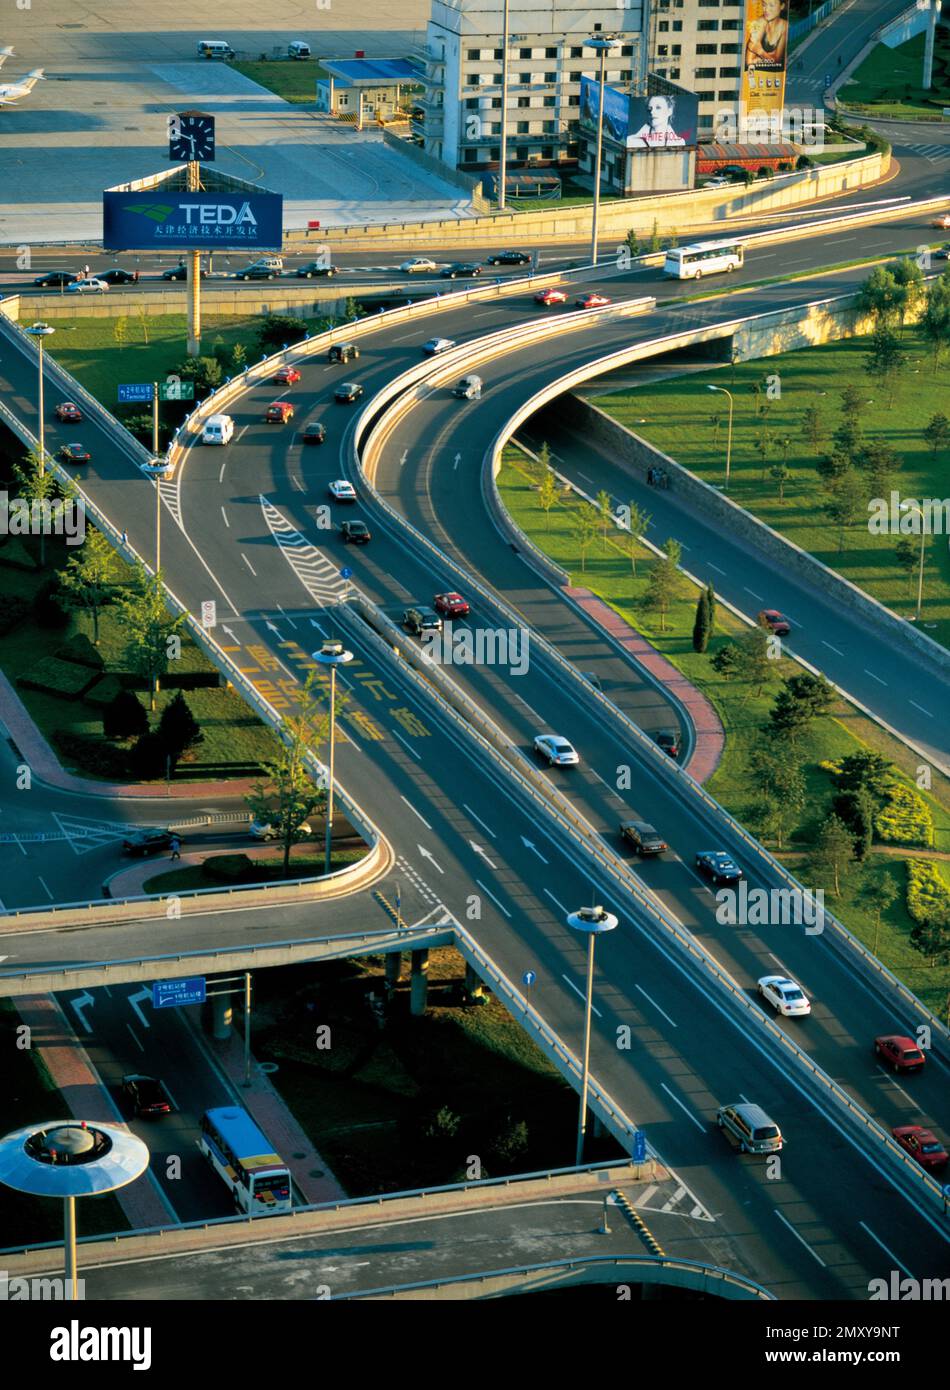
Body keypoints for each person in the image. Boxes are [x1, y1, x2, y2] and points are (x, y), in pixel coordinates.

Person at [745, 0, 788, 72]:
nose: (766, 9)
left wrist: (760, 52)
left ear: (782, 6)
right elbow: (749, 61)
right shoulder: (759, 23)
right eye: (764, 5)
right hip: (756, 73)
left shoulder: (784, 26)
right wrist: (770, 57)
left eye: (771, 5)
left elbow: (778, 60)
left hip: (775, 74)